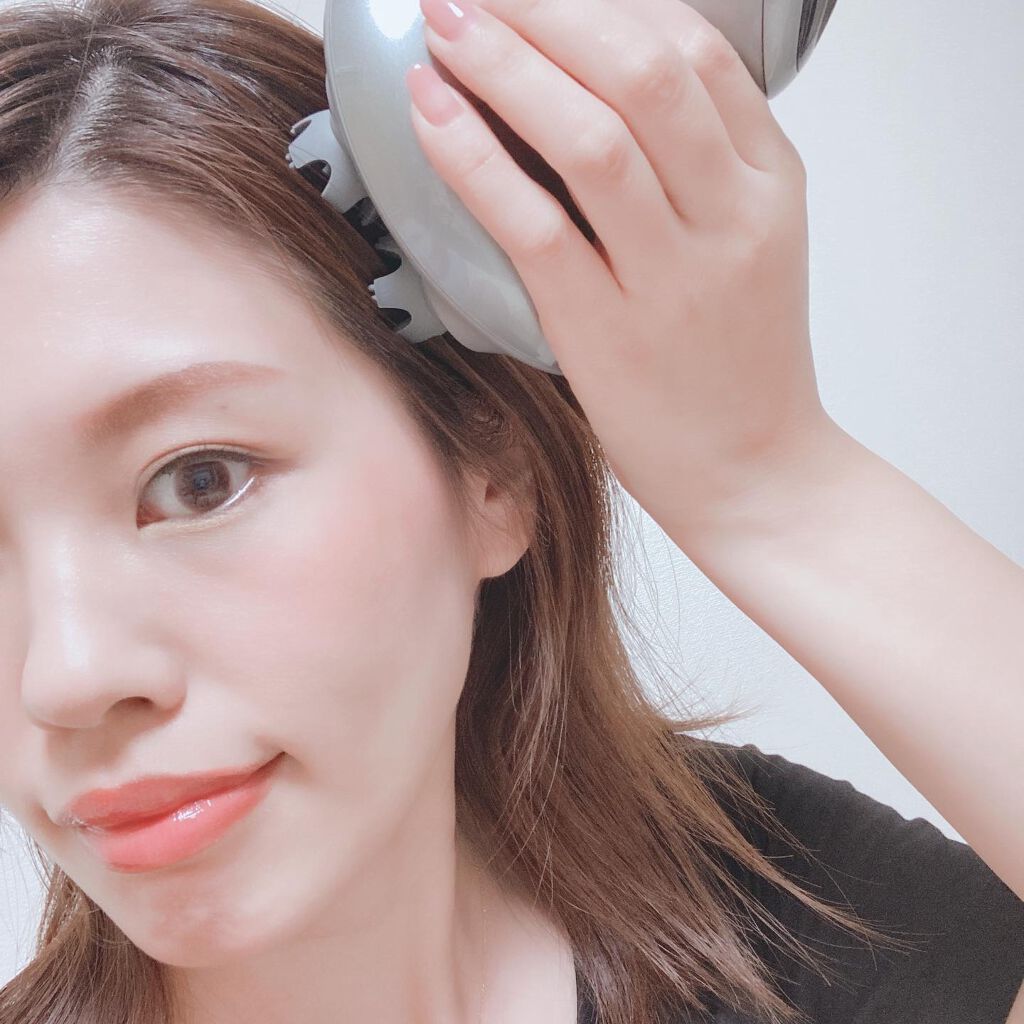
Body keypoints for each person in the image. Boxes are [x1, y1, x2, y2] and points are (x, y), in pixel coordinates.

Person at [0, 0, 1020, 1022]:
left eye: (200, 479)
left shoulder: (802, 927)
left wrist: (770, 486)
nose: (67, 678)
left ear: (493, 466)